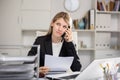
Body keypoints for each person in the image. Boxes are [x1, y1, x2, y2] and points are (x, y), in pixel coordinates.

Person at [28, 11, 82, 77]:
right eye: (58, 24)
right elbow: (27, 64)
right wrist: (37, 70)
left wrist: (69, 42)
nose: (60, 29)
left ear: (67, 30)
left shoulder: (68, 45)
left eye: (64, 26)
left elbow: (77, 69)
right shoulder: (40, 41)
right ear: (52, 23)